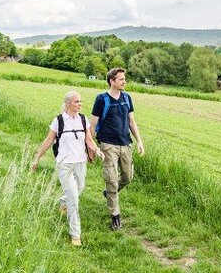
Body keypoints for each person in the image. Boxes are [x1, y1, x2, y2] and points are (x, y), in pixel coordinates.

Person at [31, 90, 102, 246]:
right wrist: (37, 157)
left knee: (79, 189)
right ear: (69, 103)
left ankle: (62, 202)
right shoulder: (59, 121)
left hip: (80, 162)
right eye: (77, 101)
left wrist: (96, 150)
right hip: (64, 164)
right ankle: (75, 234)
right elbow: (48, 141)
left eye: (80, 101)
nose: (80, 104)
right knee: (74, 199)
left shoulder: (83, 119)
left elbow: (89, 140)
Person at [91, 67, 144, 231]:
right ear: (112, 81)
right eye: (121, 79)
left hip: (125, 144)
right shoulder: (101, 99)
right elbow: (93, 125)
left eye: (124, 78)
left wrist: (140, 141)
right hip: (108, 145)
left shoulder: (127, 98)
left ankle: (109, 193)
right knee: (112, 180)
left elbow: (131, 122)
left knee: (127, 177)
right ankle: (115, 216)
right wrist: (91, 148)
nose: (124, 81)